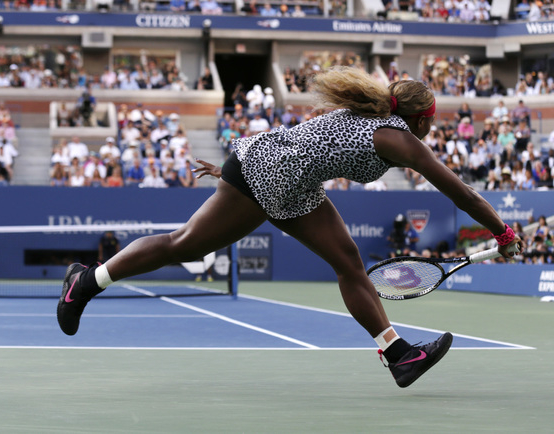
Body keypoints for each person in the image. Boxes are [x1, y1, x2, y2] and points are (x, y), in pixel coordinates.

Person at [57, 66, 523, 388]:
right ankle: (86, 282)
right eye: (431, 120)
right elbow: (462, 193)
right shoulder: (399, 138)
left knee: (350, 265)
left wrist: (232, 167)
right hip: (265, 176)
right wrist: (502, 232)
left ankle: (398, 355)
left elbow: (306, 141)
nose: (430, 128)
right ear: (419, 118)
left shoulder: (370, 113)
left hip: (287, 181)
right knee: (184, 245)